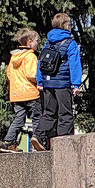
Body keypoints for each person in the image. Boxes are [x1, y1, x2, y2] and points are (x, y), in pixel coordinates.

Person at [34, 12, 82, 150]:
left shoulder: (48, 42)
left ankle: (38, 135)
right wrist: (76, 84)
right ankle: (63, 144)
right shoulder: (70, 43)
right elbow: (74, 64)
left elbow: (41, 62)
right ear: (67, 25)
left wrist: (40, 81)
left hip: (48, 84)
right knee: (65, 114)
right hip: (63, 84)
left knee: (49, 112)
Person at [0, 28, 41, 153]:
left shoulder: (14, 57)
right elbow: (31, 74)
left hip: (17, 94)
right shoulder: (30, 56)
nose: (37, 43)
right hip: (30, 92)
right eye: (36, 41)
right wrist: (40, 82)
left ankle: (9, 142)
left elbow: (9, 74)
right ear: (29, 42)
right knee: (37, 117)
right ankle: (38, 139)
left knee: (19, 118)